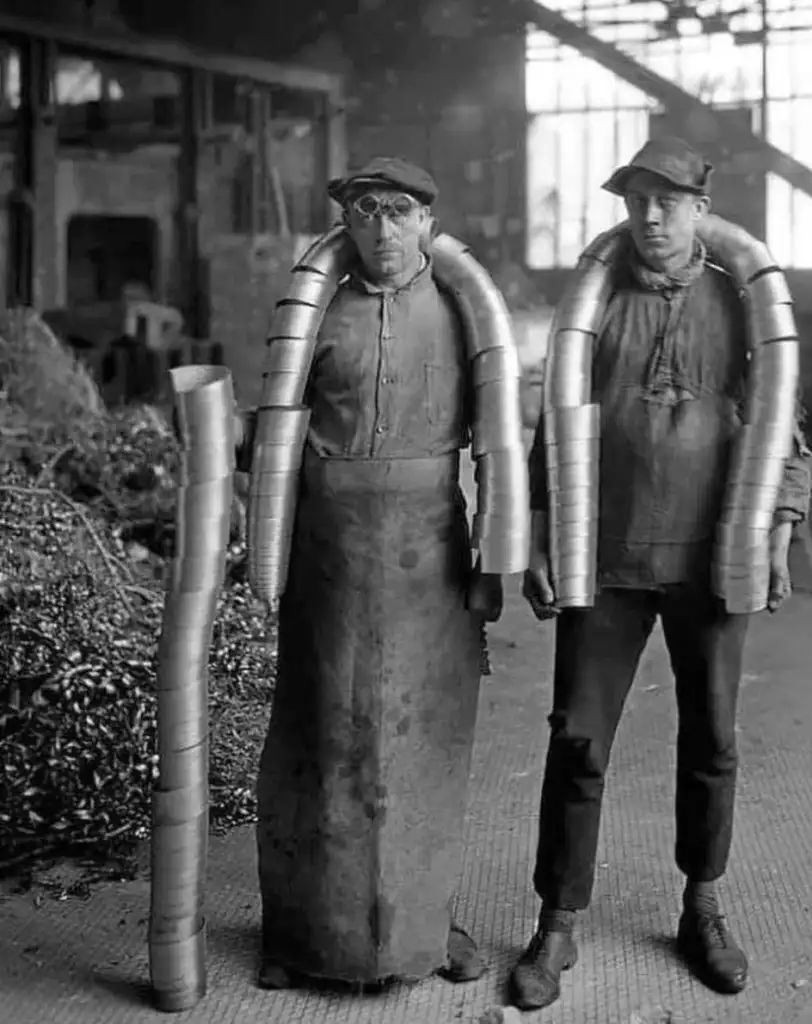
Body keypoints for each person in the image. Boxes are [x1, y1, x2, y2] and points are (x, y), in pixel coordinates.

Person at [511, 136, 812, 1010]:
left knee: (712, 740)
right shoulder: (595, 300)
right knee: (576, 738)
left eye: (669, 202)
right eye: (637, 201)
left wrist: (780, 529)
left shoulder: (740, 299)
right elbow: (552, 421)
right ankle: (557, 920)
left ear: (699, 208)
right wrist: (538, 533)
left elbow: (781, 422)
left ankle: (703, 906)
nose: (651, 217)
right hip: (604, 557)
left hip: (710, 556)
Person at [252, 157, 505, 990]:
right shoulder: (317, 307)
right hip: (328, 548)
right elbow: (275, 435)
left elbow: (503, 440)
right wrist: (263, 555)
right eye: (365, 212)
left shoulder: (466, 310)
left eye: (398, 212)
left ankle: (422, 930)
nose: (382, 230)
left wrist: (495, 562)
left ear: (428, 222)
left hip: (427, 550)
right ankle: (299, 936)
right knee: (320, 739)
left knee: (424, 744)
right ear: (348, 223)